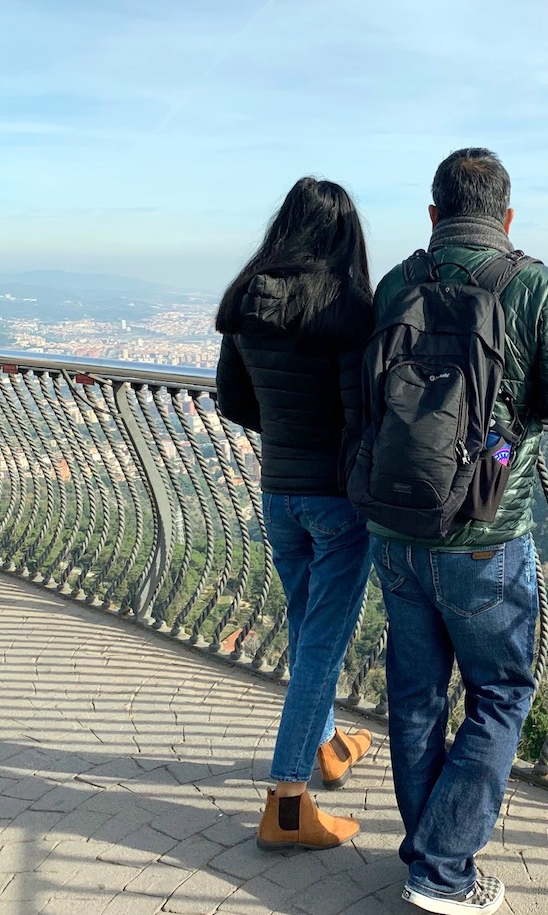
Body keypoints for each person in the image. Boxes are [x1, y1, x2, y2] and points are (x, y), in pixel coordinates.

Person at [367, 148, 548, 914]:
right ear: (507, 216)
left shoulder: (397, 282)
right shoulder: (531, 284)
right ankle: (442, 869)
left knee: (414, 696)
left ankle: (426, 851)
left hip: (397, 527)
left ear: (433, 214)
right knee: (501, 691)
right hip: (486, 532)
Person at [215, 177, 375, 851]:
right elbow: (364, 410)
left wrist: (283, 426)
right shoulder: (348, 307)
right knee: (321, 644)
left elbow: (233, 399)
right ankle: (286, 800)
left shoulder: (248, 299)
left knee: (309, 625)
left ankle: (329, 745)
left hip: (278, 491)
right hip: (337, 498)